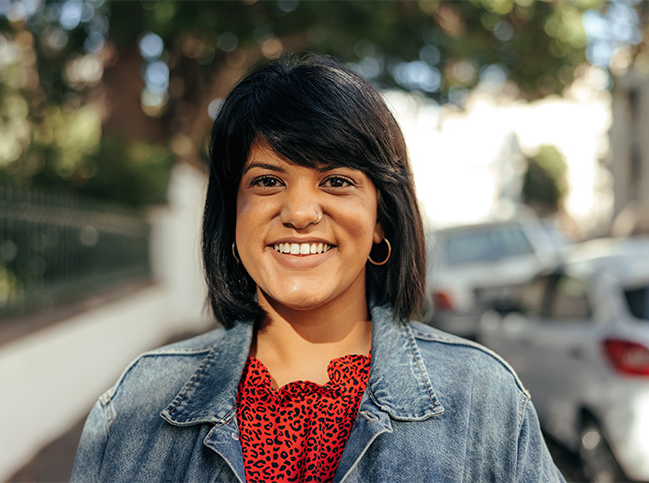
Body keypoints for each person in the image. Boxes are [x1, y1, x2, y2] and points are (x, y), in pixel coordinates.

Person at [71, 53, 565, 482]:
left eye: (336, 181)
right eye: (267, 181)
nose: (300, 212)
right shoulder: (138, 407)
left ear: (380, 219)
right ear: (232, 215)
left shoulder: (483, 400)